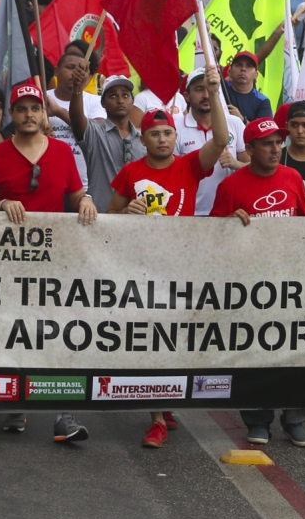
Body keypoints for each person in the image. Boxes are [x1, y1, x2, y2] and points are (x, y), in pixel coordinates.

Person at [107, 65, 228, 449]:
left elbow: (222, 139)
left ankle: (166, 401)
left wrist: (214, 90)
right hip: (143, 270)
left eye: (167, 133)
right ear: (144, 141)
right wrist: (125, 215)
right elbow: (110, 218)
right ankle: (156, 418)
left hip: (183, 265)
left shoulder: (189, 166)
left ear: (176, 138)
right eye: (155, 134)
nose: (161, 139)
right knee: (150, 342)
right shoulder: (130, 171)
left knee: (177, 340)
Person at [0, 82, 97, 443]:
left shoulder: (61, 152)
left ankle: (64, 414)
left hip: (55, 262)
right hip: (9, 263)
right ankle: (16, 402)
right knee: (15, 332)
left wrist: (85, 200)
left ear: (44, 114)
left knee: (59, 334)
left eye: (35, 108)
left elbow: (75, 194)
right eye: (21, 108)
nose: (29, 114)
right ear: (11, 116)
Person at [210, 117, 305, 449]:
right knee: (255, 353)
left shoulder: (292, 176)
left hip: (292, 281)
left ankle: (296, 420)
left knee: (297, 351)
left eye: (278, 142)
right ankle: (257, 420)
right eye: (267, 143)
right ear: (249, 149)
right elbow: (209, 236)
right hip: (251, 285)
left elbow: (303, 215)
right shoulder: (231, 185)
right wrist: (226, 223)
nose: (275, 148)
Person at [68, 67, 146, 211]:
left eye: (125, 95)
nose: (120, 100)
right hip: (99, 217)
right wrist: (77, 89)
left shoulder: (144, 140)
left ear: (132, 101)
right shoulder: (95, 132)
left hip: (138, 218)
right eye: (113, 96)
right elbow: (76, 118)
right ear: (102, 103)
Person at [175, 68, 247, 215]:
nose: (206, 95)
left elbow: (254, 167)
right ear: (186, 96)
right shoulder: (175, 128)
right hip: (191, 213)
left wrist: (236, 164)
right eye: (199, 89)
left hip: (231, 213)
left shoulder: (235, 123)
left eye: (210, 89)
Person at [46, 51, 106, 189]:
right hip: (49, 185)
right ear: (56, 71)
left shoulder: (95, 101)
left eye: (82, 69)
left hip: (84, 187)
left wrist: (58, 112)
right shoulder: (42, 98)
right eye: (71, 67)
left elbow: (97, 133)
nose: (76, 73)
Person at [224, 51, 272, 122]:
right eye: (238, 65)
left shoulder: (263, 101)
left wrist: (242, 119)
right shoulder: (220, 88)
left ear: (256, 75)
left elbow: (263, 132)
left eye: (249, 66)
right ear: (230, 72)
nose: (243, 69)